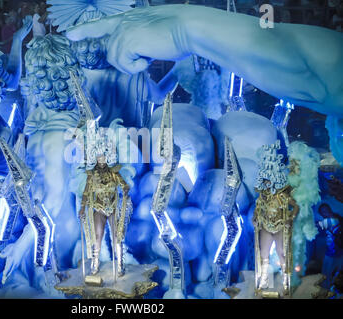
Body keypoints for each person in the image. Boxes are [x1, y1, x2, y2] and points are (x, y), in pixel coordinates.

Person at [65, 4, 343, 164]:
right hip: (191, 121)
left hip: (209, 116)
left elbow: (313, 79)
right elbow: (316, 79)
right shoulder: (169, 68)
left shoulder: (166, 66)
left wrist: (187, 33)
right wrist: (186, 34)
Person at [253, 140, 299, 295]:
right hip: (265, 227)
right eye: (264, 180)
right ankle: (264, 281)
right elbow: (257, 209)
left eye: (268, 179)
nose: (266, 183)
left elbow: (296, 206)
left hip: (280, 226)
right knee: (263, 254)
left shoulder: (282, 195)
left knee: (282, 253)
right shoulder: (262, 196)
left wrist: (290, 218)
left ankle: (286, 282)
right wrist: (255, 219)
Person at [317, 203, 343, 289]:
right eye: (323, 211)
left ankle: (329, 290)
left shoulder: (333, 220)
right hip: (334, 252)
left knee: (329, 274)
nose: (326, 212)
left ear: (329, 209)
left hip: (335, 252)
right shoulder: (334, 219)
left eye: (326, 209)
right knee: (330, 274)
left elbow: (317, 225)